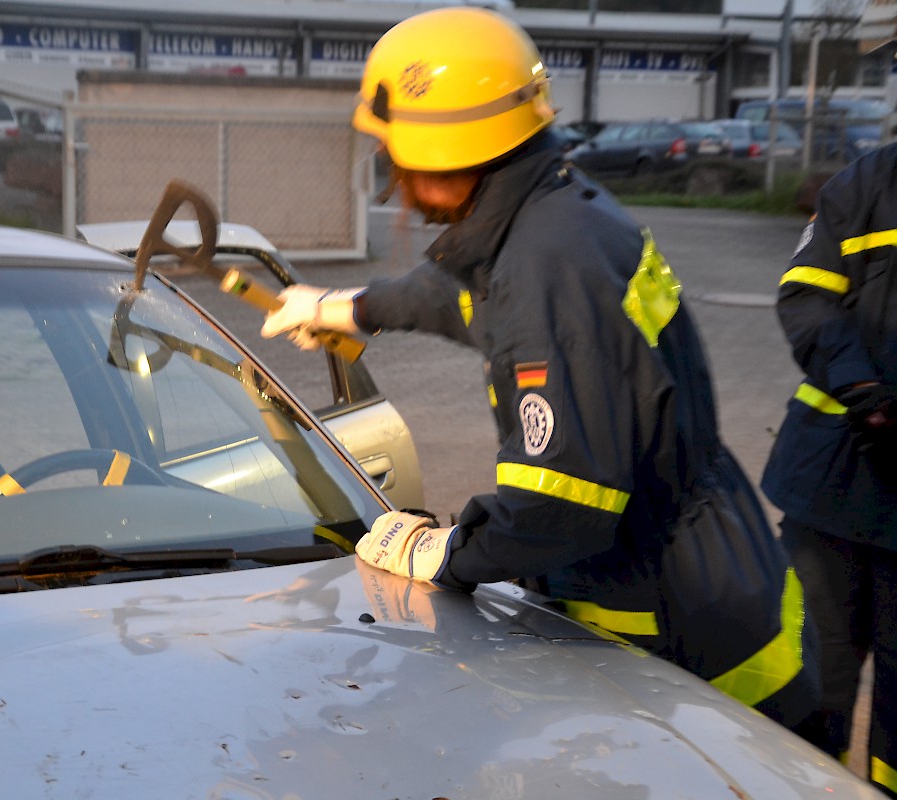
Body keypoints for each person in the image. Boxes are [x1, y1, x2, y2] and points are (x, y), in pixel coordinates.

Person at [260, 6, 818, 728]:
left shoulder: (547, 268)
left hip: (674, 626)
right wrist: (341, 308)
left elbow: (562, 505)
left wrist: (443, 552)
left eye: (392, 155)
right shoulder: (554, 210)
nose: (391, 179)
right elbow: (459, 296)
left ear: (436, 156)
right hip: (712, 572)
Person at [760, 142, 897, 795]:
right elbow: (805, 298)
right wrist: (865, 392)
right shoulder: (869, 181)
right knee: (809, 687)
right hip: (832, 493)